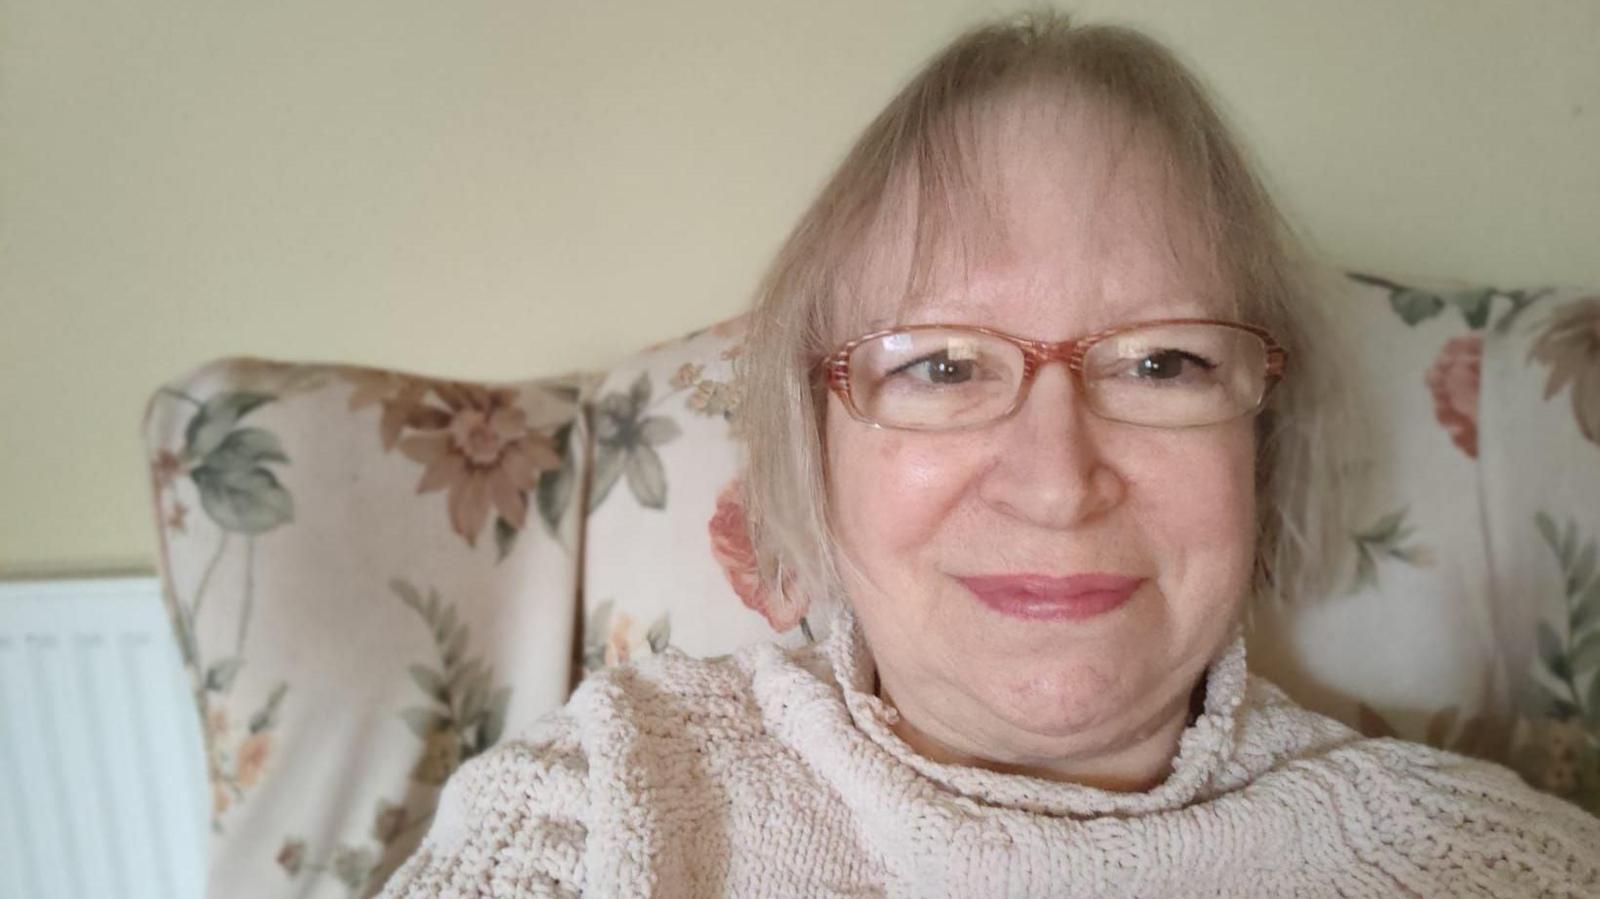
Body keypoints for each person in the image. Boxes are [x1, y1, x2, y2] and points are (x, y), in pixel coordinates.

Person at [381, 13, 1599, 897]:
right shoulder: (597, 805)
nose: (1057, 479)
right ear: (816, 458)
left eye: (1161, 362)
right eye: (942, 365)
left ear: (1262, 446)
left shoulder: (1490, 866)